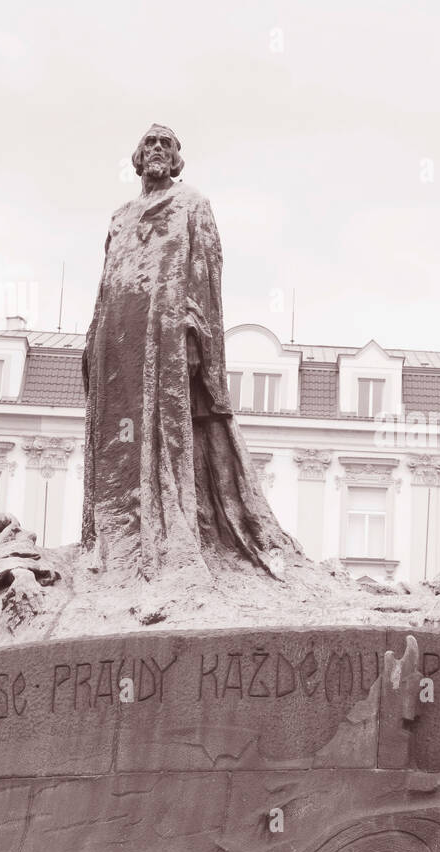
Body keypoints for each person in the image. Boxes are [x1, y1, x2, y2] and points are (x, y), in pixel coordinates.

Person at [81, 125, 297, 580]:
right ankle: (113, 537)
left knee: (166, 430)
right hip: (117, 338)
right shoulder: (119, 217)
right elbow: (106, 282)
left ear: (177, 158)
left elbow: (205, 269)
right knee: (116, 436)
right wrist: (92, 336)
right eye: (149, 144)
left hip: (163, 336)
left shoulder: (191, 204)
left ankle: (162, 533)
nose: (157, 149)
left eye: (167, 144)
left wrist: (196, 331)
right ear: (136, 158)